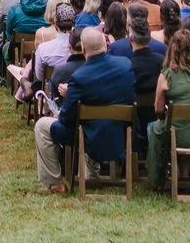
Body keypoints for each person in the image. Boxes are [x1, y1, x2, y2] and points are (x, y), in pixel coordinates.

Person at [34, 27, 133, 192]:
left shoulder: (80, 78)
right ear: (105, 44)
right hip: (120, 132)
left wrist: (59, 113)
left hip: (89, 136)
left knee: (42, 126)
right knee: (90, 122)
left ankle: (54, 182)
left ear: (84, 50)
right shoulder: (125, 65)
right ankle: (91, 175)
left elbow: (67, 119)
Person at [146, 26, 190, 190]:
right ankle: (183, 176)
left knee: (154, 128)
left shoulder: (167, 74)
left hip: (180, 134)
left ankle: (159, 176)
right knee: (181, 126)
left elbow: (158, 110)